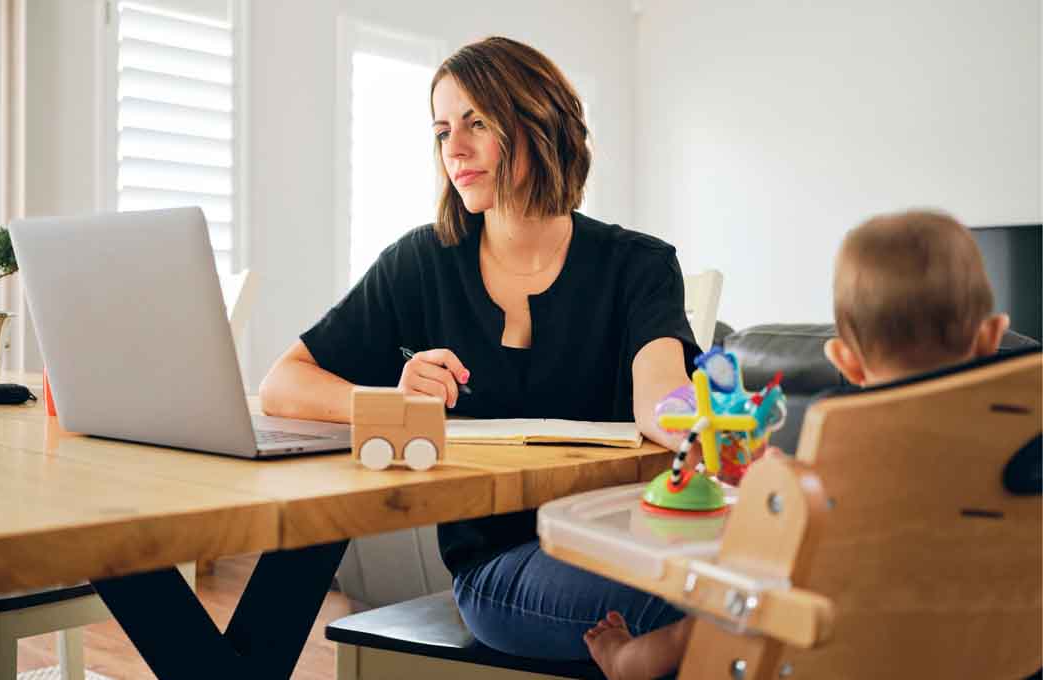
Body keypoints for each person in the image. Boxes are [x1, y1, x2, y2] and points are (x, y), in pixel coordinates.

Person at [259, 36, 702, 661]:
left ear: (538, 122)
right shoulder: (421, 262)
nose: (455, 150)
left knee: (745, 591)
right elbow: (284, 383)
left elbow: (662, 389)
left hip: (626, 539)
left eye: (477, 123)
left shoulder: (639, 264)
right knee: (709, 607)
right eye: (442, 131)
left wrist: (704, 427)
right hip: (502, 568)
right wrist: (392, 400)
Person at [583, 209, 1011, 680]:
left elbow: (772, 538)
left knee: (714, 612)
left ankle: (626, 662)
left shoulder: (838, 451)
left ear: (844, 360)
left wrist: (767, 481)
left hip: (831, 651)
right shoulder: (1017, 448)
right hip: (978, 651)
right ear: (993, 336)